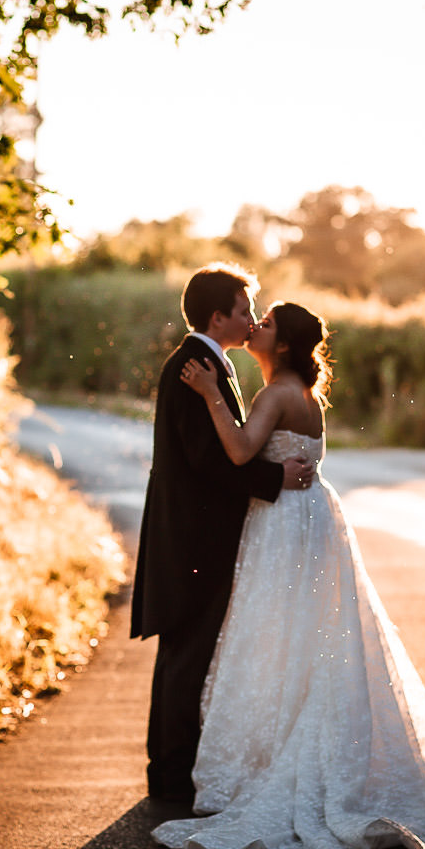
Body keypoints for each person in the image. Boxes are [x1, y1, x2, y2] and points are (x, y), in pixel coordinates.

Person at [151, 301, 425, 849]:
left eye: (267, 323)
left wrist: (208, 395)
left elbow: (239, 450)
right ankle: (292, 748)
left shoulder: (275, 394)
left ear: (281, 345)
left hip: (282, 525)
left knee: (277, 634)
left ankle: (269, 761)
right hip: (313, 520)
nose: (257, 325)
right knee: (310, 637)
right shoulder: (306, 394)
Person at [131, 263, 315, 805]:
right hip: (193, 538)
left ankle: (172, 772)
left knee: (188, 656)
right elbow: (211, 460)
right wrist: (273, 477)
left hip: (198, 536)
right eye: (244, 310)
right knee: (188, 657)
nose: (252, 319)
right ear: (219, 316)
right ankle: (170, 778)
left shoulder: (213, 365)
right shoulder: (195, 365)